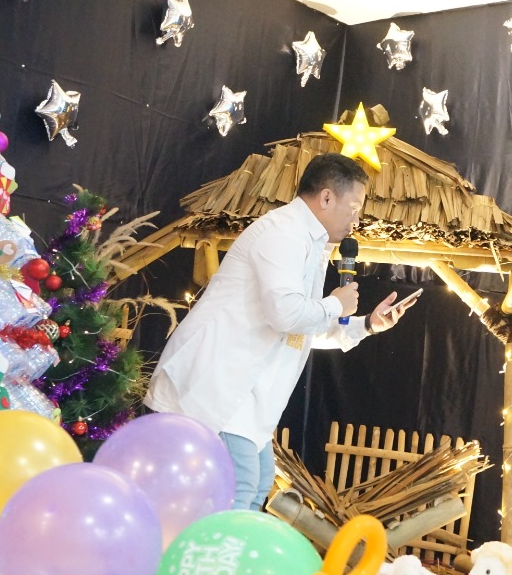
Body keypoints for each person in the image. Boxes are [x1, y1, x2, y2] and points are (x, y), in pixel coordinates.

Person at [144, 153, 417, 511]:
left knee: (257, 486)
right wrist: (335, 304)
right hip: (217, 387)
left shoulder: (312, 243)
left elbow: (300, 329)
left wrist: (366, 324)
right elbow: (287, 314)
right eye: (354, 208)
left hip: (246, 396)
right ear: (326, 197)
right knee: (240, 489)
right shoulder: (282, 232)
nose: (357, 219)